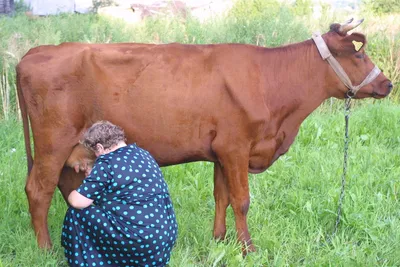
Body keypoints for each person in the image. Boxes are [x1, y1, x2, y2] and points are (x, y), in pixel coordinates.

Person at [61, 121, 178, 267]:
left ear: (99, 147)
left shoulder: (107, 162)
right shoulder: (143, 154)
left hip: (141, 243)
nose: (96, 158)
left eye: (95, 153)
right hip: (164, 241)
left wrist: (73, 192)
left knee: (76, 213)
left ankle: (88, 262)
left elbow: (79, 202)